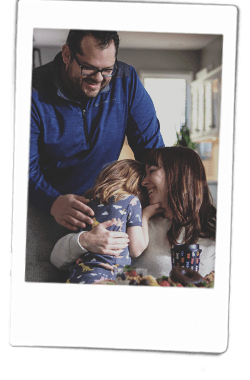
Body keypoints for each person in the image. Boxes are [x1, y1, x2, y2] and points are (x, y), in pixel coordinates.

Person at [29, 29, 164, 231]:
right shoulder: (30, 90)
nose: (98, 79)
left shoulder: (126, 81)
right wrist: (52, 202)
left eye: (108, 69)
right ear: (67, 54)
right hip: (44, 207)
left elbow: (152, 152)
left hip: (103, 209)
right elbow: (23, 166)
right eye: (89, 68)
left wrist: (166, 191)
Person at [50, 146, 216, 280]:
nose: (144, 182)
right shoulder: (137, 222)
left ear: (177, 175)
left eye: (152, 171)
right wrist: (85, 240)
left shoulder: (214, 228)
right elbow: (57, 259)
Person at [50, 159, 160, 284]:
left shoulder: (86, 201)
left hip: (77, 277)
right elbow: (136, 249)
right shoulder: (132, 202)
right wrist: (145, 215)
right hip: (109, 279)